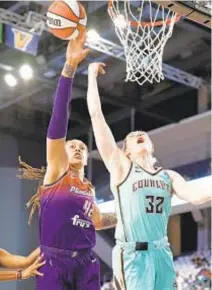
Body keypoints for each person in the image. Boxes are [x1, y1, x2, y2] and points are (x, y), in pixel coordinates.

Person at [86, 62, 212, 290]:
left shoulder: (169, 177)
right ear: (127, 151)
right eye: (133, 136)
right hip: (133, 255)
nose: (138, 134)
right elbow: (96, 116)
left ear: (151, 146)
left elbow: (197, 197)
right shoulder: (121, 168)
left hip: (162, 252)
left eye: (142, 134)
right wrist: (91, 77)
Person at [18, 32, 117, 290]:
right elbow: (58, 121)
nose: (77, 148)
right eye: (71, 145)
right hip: (54, 261)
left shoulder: (89, 189)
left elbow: (96, 220)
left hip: (86, 263)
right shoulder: (57, 171)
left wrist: (125, 214)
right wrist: (70, 68)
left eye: (82, 146)